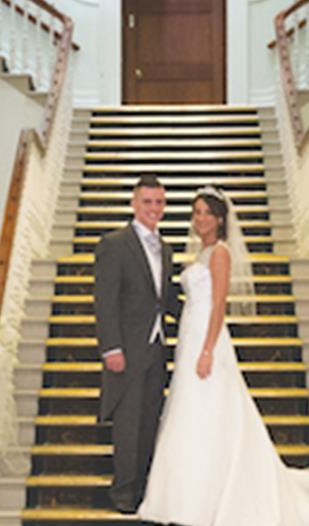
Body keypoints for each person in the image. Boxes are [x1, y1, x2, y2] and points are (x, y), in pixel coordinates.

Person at [137, 186, 309, 526]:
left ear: (220, 219)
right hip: (190, 336)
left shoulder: (220, 253)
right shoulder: (201, 254)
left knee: (210, 407)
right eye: (196, 212)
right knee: (190, 410)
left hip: (208, 340)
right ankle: (190, 493)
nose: (200, 218)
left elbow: (218, 304)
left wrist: (207, 350)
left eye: (206, 212)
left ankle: (220, 492)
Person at [93, 174, 182, 513]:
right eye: (147, 201)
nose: (154, 208)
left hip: (156, 349)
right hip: (126, 351)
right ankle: (123, 495)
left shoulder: (167, 248)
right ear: (134, 203)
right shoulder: (115, 244)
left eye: (159, 202)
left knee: (149, 423)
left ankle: (144, 490)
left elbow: (166, 297)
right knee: (128, 427)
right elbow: (105, 299)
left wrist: (197, 315)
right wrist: (111, 348)